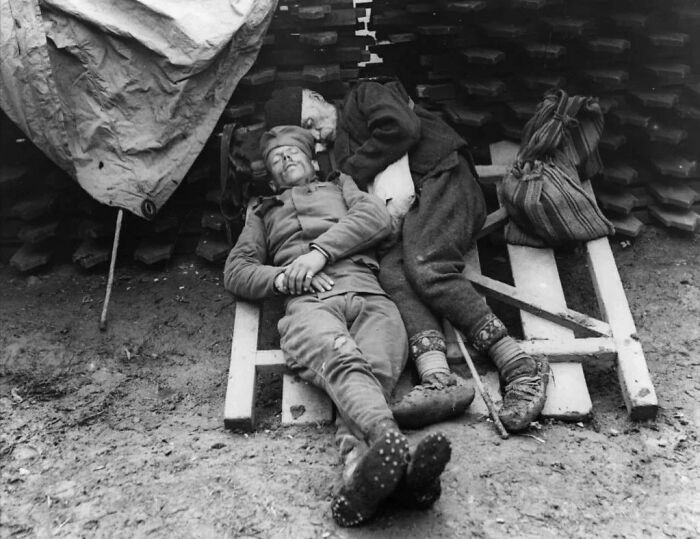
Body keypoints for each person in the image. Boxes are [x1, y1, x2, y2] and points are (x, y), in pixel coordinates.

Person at [263, 83, 550, 433]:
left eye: (309, 121)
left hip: (442, 179)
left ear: (318, 99)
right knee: (393, 274)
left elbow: (402, 127)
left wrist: (350, 171)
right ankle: (439, 378)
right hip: (405, 214)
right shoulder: (336, 152)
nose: (314, 136)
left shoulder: (363, 96)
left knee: (427, 263)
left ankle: (518, 364)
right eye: (306, 135)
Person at [224, 125, 452, 527]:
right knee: (344, 360)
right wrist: (283, 277)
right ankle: (390, 447)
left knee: (375, 370)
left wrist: (318, 253)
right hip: (309, 304)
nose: (286, 159)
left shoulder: (340, 185)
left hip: (368, 294)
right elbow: (237, 270)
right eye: (277, 159)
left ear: (313, 162)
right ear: (271, 177)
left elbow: (376, 217)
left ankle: (361, 471)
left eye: (294, 153)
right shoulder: (261, 210)